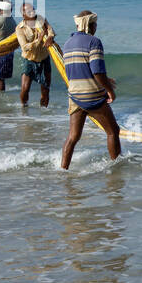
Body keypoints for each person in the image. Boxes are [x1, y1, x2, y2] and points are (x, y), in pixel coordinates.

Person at [60, 10, 120, 169]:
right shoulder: (94, 42)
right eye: (95, 23)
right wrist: (109, 90)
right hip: (92, 96)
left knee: (73, 137)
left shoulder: (67, 44)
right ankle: (117, 169)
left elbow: (75, 70)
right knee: (113, 131)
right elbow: (97, 72)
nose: (96, 27)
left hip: (74, 96)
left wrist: (106, 80)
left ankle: (63, 170)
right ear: (90, 25)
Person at [15, 3, 56, 107]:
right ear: (23, 15)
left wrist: (50, 36)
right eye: (29, 12)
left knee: (45, 90)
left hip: (44, 58)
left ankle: (44, 115)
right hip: (29, 60)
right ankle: (24, 109)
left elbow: (50, 29)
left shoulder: (41, 19)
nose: (33, 13)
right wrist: (38, 41)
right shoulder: (20, 28)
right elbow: (24, 47)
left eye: (33, 10)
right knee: (25, 89)